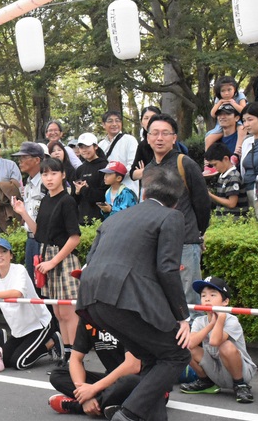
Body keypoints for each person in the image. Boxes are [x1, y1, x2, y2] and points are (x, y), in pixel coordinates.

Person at [77, 166, 191, 421]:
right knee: (177, 355)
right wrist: (182, 316)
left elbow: (90, 263)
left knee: (153, 356)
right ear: (176, 201)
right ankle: (129, 414)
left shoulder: (115, 218)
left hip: (93, 299)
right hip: (126, 298)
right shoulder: (172, 217)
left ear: (145, 193)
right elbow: (167, 269)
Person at [12, 157, 81, 364]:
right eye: (45, 174)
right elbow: (39, 233)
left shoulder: (67, 200)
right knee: (58, 312)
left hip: (64, 259)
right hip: (47, 256)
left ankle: (75, 358)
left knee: (68, 311)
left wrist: (53, 262)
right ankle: (67, 356)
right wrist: (23, 213)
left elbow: (75, 237)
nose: (49, 178)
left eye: (53, 173)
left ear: (63, 175)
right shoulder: (45, 200)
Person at [140, 114, 211, 305]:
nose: (159, 138)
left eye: (165, 133)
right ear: (147, 138)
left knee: (189, 299)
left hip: (185, 242)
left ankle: (195, 335)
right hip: (156, 243)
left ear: (174, 138)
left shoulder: (185, 163)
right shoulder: (147, 169)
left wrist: (198, 233)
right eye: (154, 133)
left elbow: (203, 204)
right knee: (161, 298)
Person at [0, 238, 58, 369]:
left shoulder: (19, 270)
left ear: (11, 255)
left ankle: (52, 342)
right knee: (5, 361)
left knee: (19, 363)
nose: (0, 255)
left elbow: (18, 293)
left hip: (38, 325)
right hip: (18, 330)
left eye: (4, 251)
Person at [179, 277, 256, 404]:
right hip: (216, 370)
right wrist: (210, 324)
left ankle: (240, 385)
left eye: (213, 295)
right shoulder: (200, 321)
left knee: (225, 346)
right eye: (203, 296)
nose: (207, 299)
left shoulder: (231, 320)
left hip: (241, 371)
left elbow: (215, 341)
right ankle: (206, 382)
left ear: (225, 302)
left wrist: (219, 319)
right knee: (186, 347)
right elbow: (190, 343)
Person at [47, 320, 142, 418]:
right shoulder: (87, 319)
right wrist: (84, 394)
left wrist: (93, 389)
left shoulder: (126, 318)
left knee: (130, 381)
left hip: (140, 379)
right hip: (110, 380)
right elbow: (75, 359)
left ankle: (76, 406)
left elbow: (133, 365)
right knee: (57, 375)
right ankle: (110, 406)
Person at [12, 141, 46, 282]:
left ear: (37, 160)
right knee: (33, 282)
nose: (20, 162)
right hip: (30, 239)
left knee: (43, 284)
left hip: (44, 239)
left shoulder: (46, 182)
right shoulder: (28, 182)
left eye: (24, 158)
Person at [98, 111, 138, 195]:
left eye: (117, 121)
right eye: (110, 121)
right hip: (108, 191)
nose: (114, 124)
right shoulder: (101, 145)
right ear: (103, 124)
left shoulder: (130, 140)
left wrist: (116, 177)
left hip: (128, 189)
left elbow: (133, 164)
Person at [203, 143, 249, 217]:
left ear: (226, 159)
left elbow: (232, 203)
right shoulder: (223, 175)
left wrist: (210, 195)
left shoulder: (233, 177)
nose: (214, 168)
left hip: (234, 221)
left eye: (215, 164)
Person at [71, 132, 108, 224]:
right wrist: (77, 192)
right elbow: (75, 199)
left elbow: (104, 194)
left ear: (95, 147)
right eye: (81, 147)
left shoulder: (105, 167)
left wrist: (84, 189)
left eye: (87, 146)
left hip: (101, 219)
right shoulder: (80, 169)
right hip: (82, 219)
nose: (84, 150)